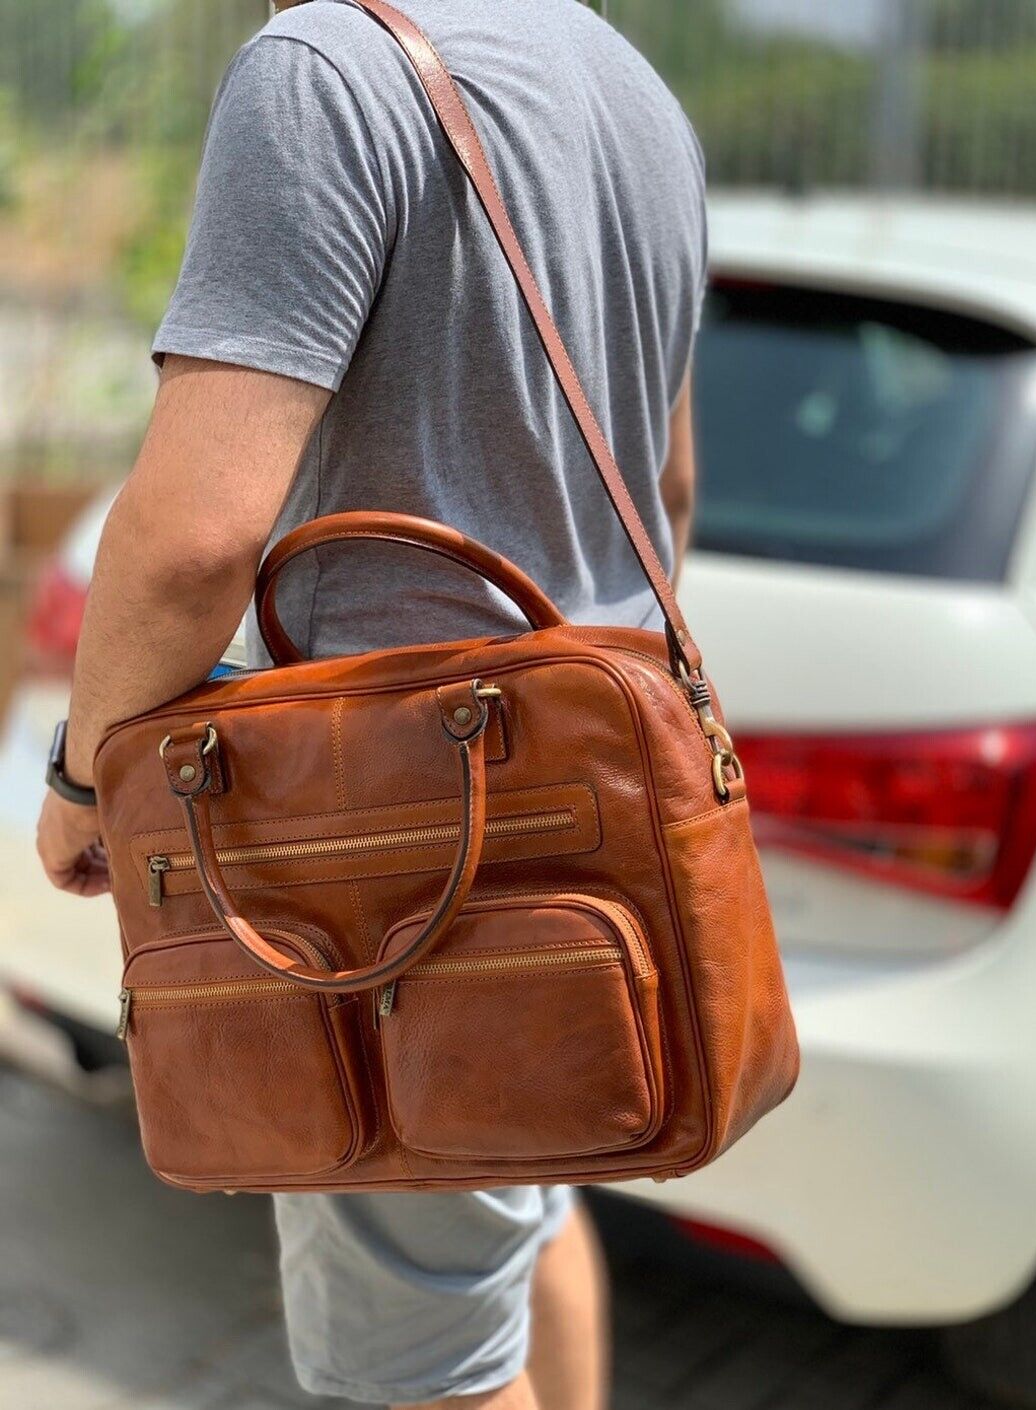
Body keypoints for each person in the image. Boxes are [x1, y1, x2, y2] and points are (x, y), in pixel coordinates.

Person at [35, 0, 706, 1405]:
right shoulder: (631, 90)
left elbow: (195, 537)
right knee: (510, 1238)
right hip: (586, 828)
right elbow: (670, 491)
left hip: (393, 854)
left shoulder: (326, 69)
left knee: (421, 1371)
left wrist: (87, 776)